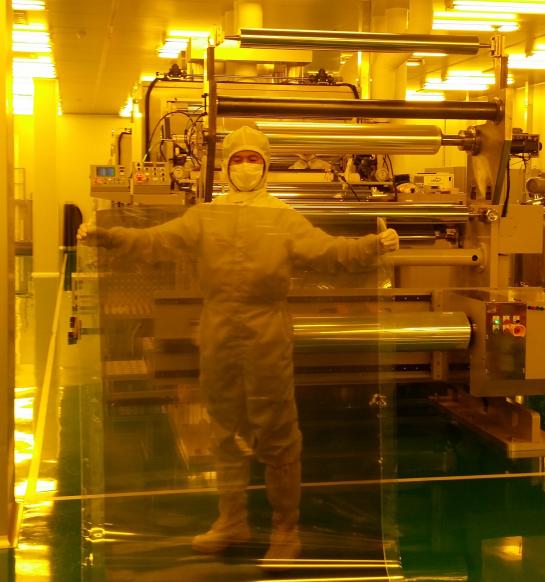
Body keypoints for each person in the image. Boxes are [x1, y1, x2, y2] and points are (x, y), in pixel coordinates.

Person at [77, 125, 399, 564]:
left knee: (277, 429)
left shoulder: (283, 218)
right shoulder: (206, 216)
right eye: (238, 159)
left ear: (265, 166)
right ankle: (232, 520)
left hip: (267, 330)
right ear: (225, 167)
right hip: (218, 329)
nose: (245, 167)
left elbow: (330, 253)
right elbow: (155, 241)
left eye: (253, 159)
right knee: (224, 428)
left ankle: (285, 531)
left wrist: (373, 246)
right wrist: (108, 235)